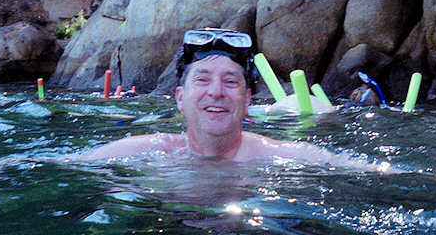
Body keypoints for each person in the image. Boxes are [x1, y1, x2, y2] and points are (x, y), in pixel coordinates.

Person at [80, 28, 378, 168]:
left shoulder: (284, 157)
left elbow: (372, 172)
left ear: (247, 99)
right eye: (203, 79)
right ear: (180, 98)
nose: (217, 91)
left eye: (230, 81)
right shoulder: (141, 153)